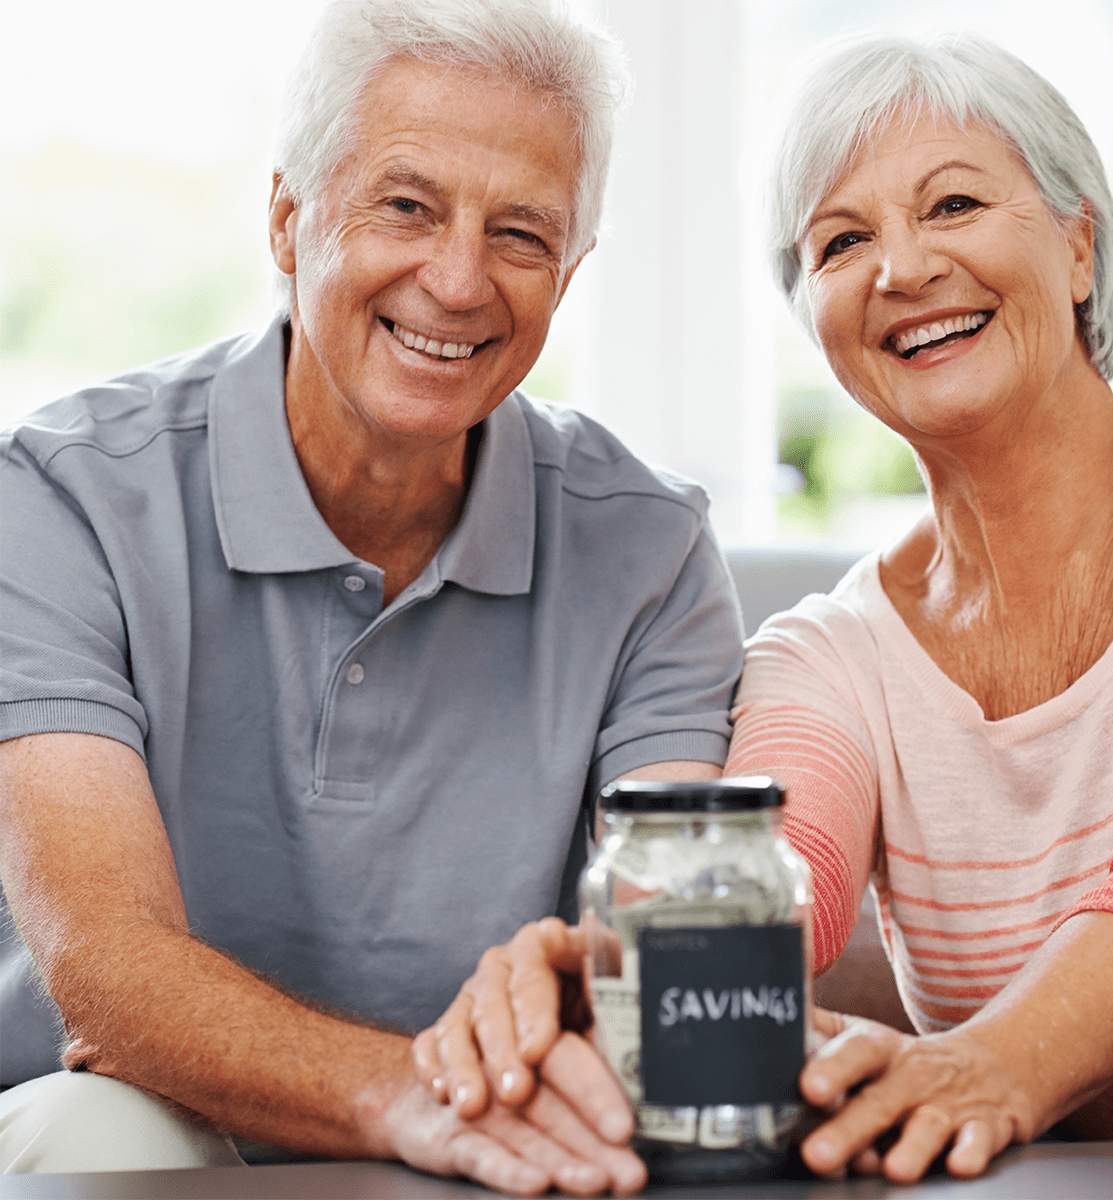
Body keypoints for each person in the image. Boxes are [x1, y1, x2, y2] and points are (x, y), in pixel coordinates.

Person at [413, 32, 1113, 1184]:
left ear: (1078, 245)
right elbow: (768, 883)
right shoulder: (828, 653)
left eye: (956, 203)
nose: (903, 268)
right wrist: (622, 972)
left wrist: (986, 1064)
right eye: (842, 240)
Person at [0, 1, 744, 1192]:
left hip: (484, 1135)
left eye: (521, 233)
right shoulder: (63, 494)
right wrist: (414, 1098)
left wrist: (592, 1016)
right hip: (144, 1123)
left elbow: (668, 945)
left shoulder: (651, 546)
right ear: (290, 219)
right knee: (115, 1137)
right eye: (407, 206)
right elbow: (108, 969)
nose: (456, 282)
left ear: (574, 270)